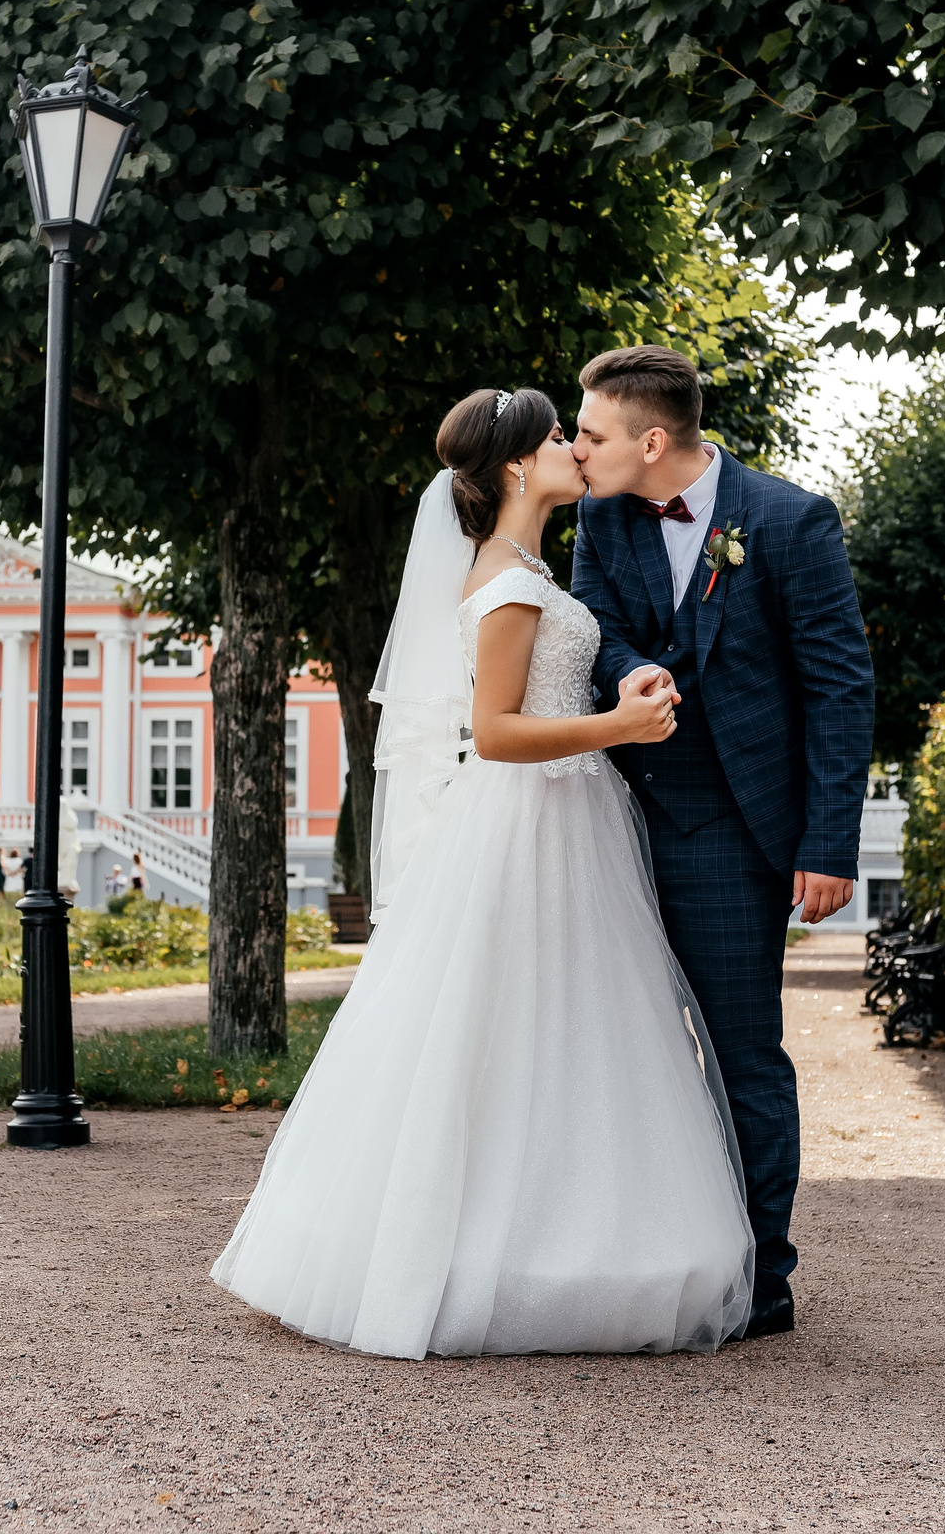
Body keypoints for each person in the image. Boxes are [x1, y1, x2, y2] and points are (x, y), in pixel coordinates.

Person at [213, 386, 754, 1359]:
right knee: (505, 1030)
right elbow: (498, 735)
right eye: (559, 438)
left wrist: (620, 684)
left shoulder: (529, 569)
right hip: (528, 821)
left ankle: (573, 1235)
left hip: (571, 818)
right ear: (514, 466)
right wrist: (619, 726)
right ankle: (483, 1255)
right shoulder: (505, 582)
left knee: (567, 1035)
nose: (575, 451)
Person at [569, 345, 874, 1339]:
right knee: (617, 1054)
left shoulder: (791, 521)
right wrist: (626, 672)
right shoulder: (600, 518)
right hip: (606, 822)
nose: (576, 449)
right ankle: (644, 1256)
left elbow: (839, 687)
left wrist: (829, 845)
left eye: (593, 432)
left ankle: (760, 1277)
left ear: (652, 440)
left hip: (735, 834)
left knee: (741, 1056)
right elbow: (596, 629)